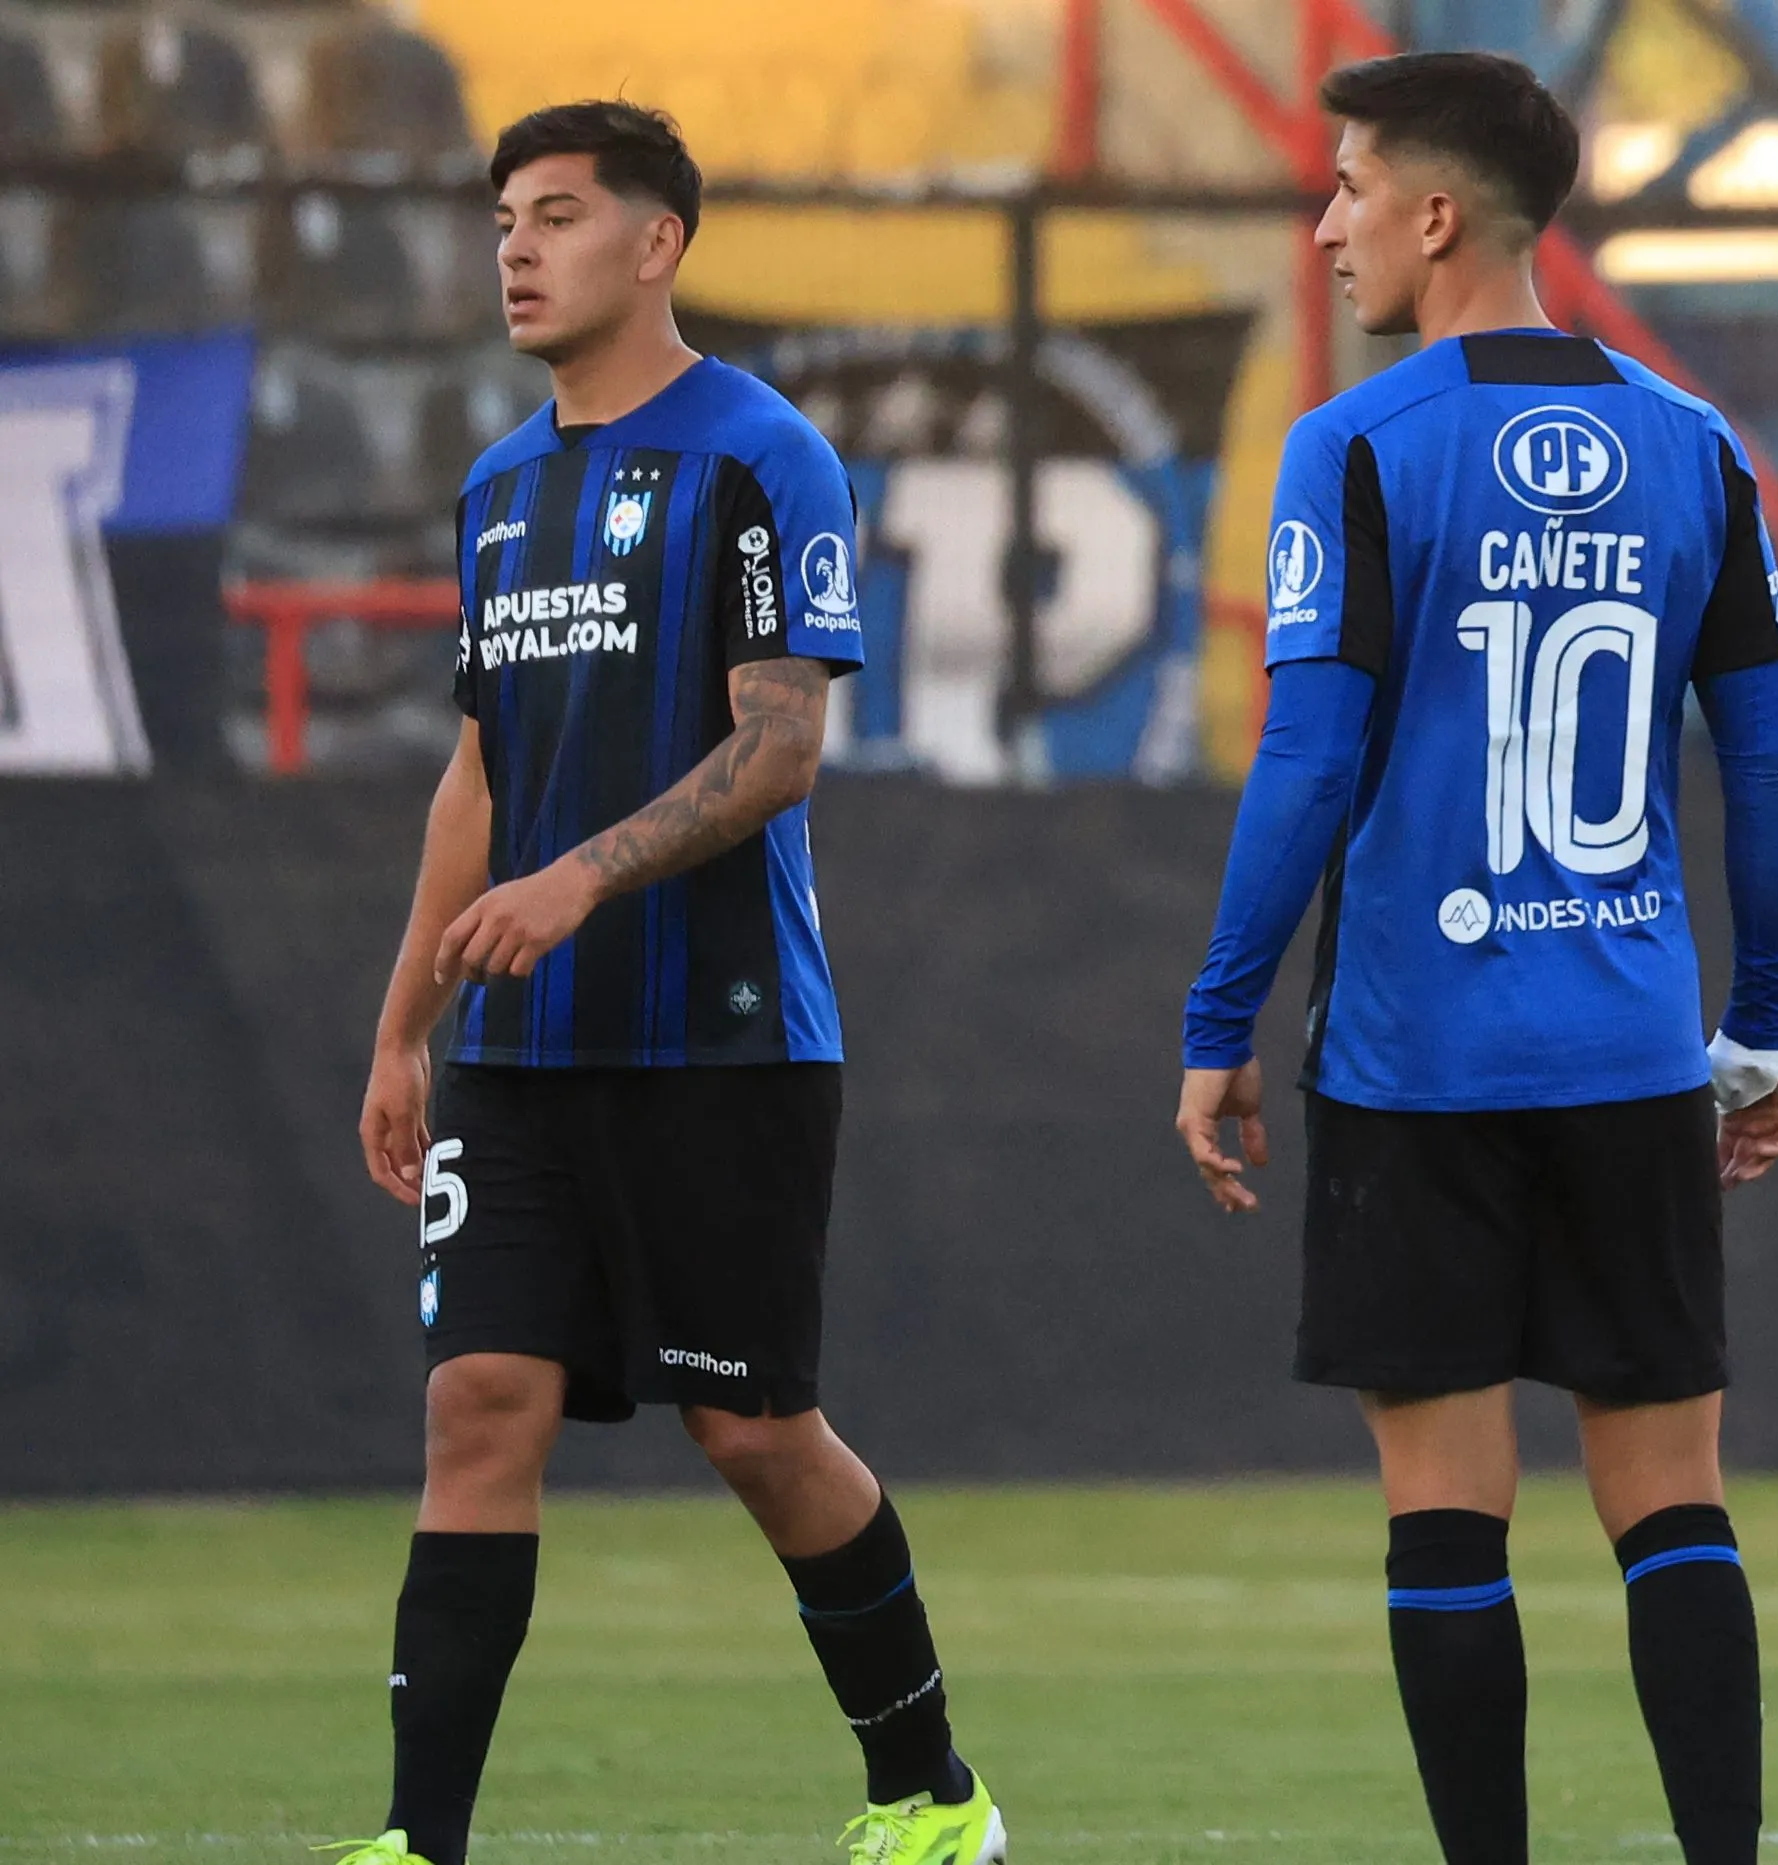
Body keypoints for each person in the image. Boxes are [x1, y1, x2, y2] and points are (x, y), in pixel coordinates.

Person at [339, 101, 1002, 1865]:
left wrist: (580, 879)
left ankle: (933, 1798)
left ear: (659, 244)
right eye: (502, 221)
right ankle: (419, 1845)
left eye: (557, 215)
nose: (517, 249)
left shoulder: (763, 456)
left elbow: (778, 750)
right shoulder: (495, 488)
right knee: (479, 1404)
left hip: (719, 1045)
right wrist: (408, 1024)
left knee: (755, 1429)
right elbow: (475, 784)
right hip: (519, 1054)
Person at [1174, 50, 1778, 1865]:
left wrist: (1220, 1017)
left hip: (1416, 1056)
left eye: (1353, 185)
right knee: (1672, 1508)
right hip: (1626, 1053)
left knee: (1447, 1515)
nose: (1332, 222)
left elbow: (1306, 765)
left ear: (1435, 216)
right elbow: (1758, 768)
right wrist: (1757, 1028)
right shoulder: (1698, 447)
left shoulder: (1358, 446)